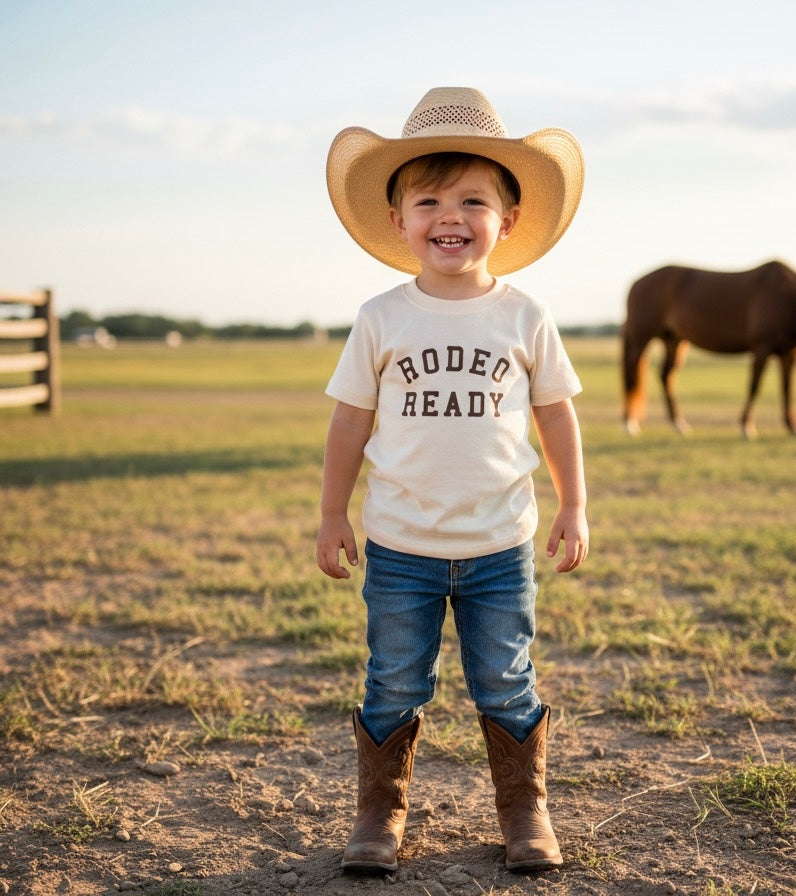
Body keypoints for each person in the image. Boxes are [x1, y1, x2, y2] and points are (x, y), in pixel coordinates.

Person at [317, 86, 588, 874]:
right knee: (394, 682)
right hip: (400, 545)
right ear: (399, 219)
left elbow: (558, 417)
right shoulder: (381, 317)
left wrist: (575, 502)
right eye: (428, 198)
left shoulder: (524, 315)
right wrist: (333, 513)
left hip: (500, 545)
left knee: (505, 682)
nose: (450, 215)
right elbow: (348, 425)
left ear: (507, 216)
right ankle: (380, 813)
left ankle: (524, 810)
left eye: (474, 199)